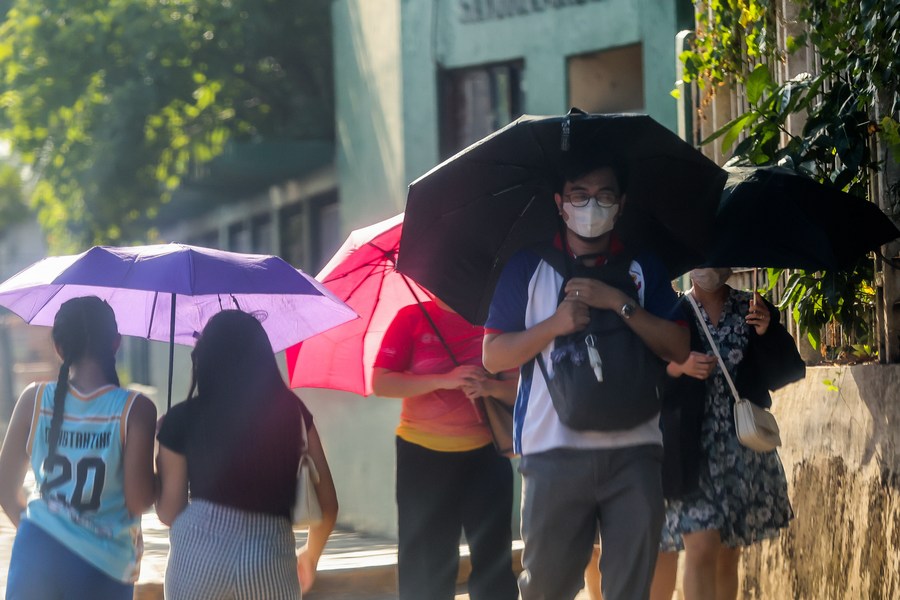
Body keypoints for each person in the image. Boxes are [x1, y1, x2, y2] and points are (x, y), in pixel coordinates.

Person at [483, 153, 690, 600]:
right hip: (551, 452)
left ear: (621, 204)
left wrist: (618, 302)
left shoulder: (642, 267)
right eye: (580, 195)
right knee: (546, 589)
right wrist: (554, 325)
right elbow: (493, 356)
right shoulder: (528, 267)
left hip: (635, 454)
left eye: (604, 196)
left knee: (631, 590)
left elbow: (678, 346)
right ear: (560, 202)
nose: (591, 206)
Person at [156, 310, 338, 599]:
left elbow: (169, 513)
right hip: (270, 557)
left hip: (198, 559)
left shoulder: (181, 418)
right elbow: (328, 505)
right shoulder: (293, 413)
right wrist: (310, 556)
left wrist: (160, 456)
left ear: (204, 359)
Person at [650, 267, 804, 600]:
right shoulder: (674, 313)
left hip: (741, 447)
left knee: (727, 554)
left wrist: (768, 332)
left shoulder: (752, 308)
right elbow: (646, 378)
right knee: (702, 546)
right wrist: (679, 368)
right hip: (691, 450)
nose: (709, 266)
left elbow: (789, 371)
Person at [0, 296, 157, 599]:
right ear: (116, 343)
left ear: (59, 347)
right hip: (103, 564)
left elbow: (4, 487)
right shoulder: (135, 409)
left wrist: (45, 533)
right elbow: (139, 501)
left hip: (36, 548)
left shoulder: (34, 399)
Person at [372, 298, 519, 600]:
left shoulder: (498, 316)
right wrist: (444, 380)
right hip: (421, 453)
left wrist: (488, 387)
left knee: (494, 557)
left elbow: (523, 389)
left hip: (486, 454)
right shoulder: (411, 316)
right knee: (427, 560)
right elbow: (381, 383)